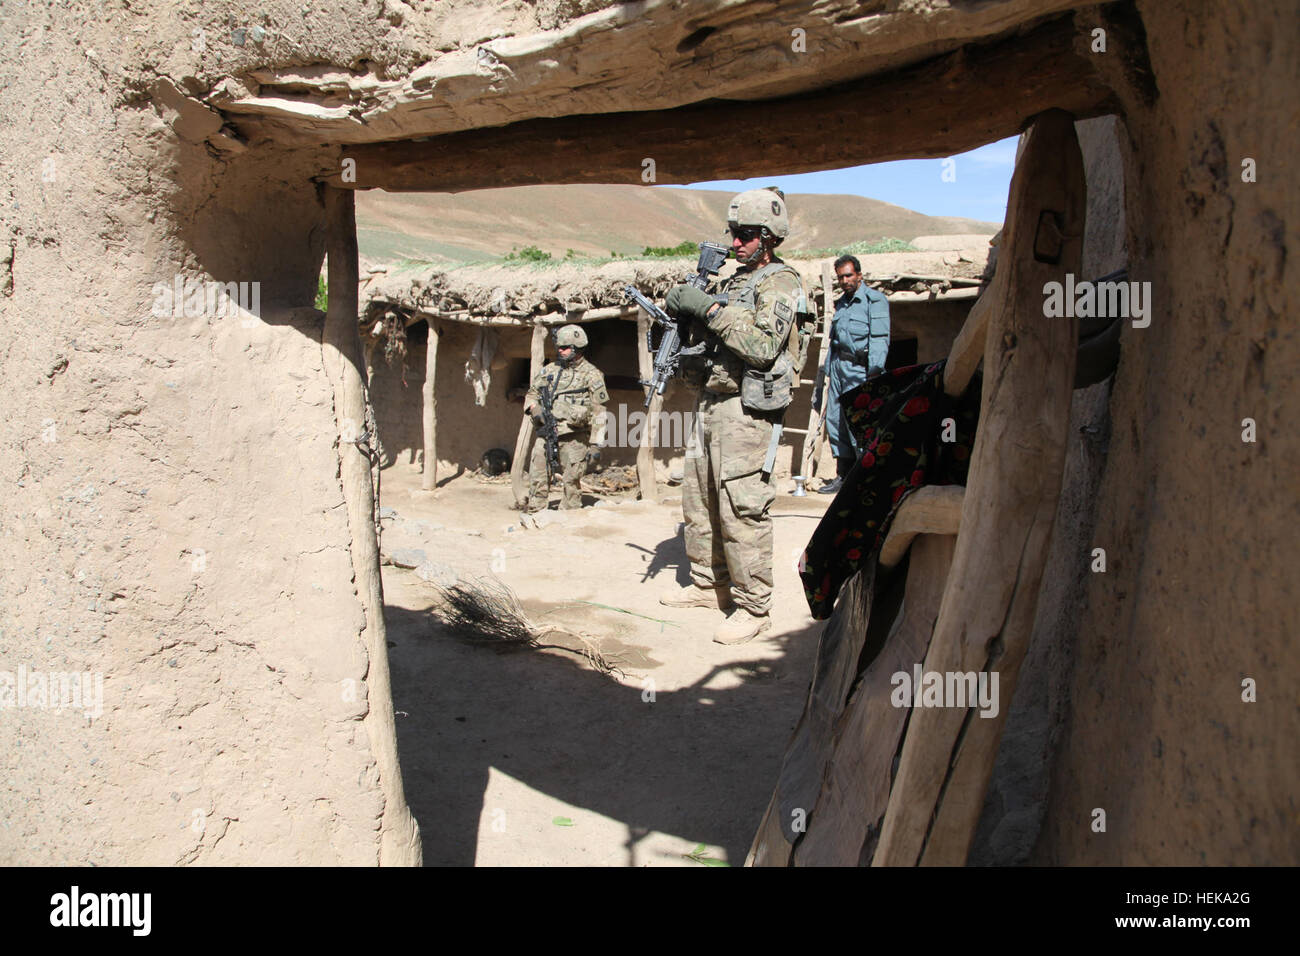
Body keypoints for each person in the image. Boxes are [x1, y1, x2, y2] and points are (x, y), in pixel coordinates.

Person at [658, 187, 808, 645]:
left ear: (769, 237)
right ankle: (710, 585)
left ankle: (753, 607)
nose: (735, 243)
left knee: (742, 507)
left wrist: (707, 308)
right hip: (711, 403)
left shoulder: (781, 283)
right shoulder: (730, 283)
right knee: (699, 500)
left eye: (745, 235)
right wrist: (684, 314)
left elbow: (762, 347)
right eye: (733, 233)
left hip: (748, 410)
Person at [814, 254, 890, 494]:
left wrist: (873, 376)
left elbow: (879, 340)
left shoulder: (874, 301)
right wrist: (827, 372)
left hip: (860, 370)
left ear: (859, 275)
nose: (844, 280)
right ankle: (843, 476)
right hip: (838, 369)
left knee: (861, 424)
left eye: (848, 275)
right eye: (840, 277)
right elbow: (835, 342)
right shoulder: (842, 303)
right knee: (836, 422)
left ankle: (865, 478)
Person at [523, 325, 608, 512]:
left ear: (577, 347)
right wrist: (534, 408)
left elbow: (600, 412)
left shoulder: (592, 374)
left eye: (565, 347)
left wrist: (596, 444)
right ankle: (535, 512)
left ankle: (569, 522)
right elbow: (532, 394)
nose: (559, 350)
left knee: (571, 482)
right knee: (537, 475)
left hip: (574, 437)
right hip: (546, 433)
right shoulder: (549, 370)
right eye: (559, 347)